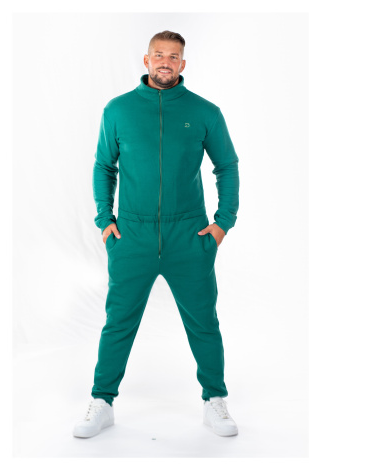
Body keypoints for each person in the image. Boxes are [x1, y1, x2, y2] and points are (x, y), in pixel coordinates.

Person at [73, 31, 240, 439]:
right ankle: (102, 401)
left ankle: (214, 399)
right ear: (147, 60)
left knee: (204, 322)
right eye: (159, 55)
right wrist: (105, 220)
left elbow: (227, 166)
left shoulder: (205, 112)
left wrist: (222, 223)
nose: (166, 61)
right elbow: (104, 166)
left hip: (189, 235)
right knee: (118, 321)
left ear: (183, 64)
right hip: (132, 234)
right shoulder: (118, 110)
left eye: (174, 56)